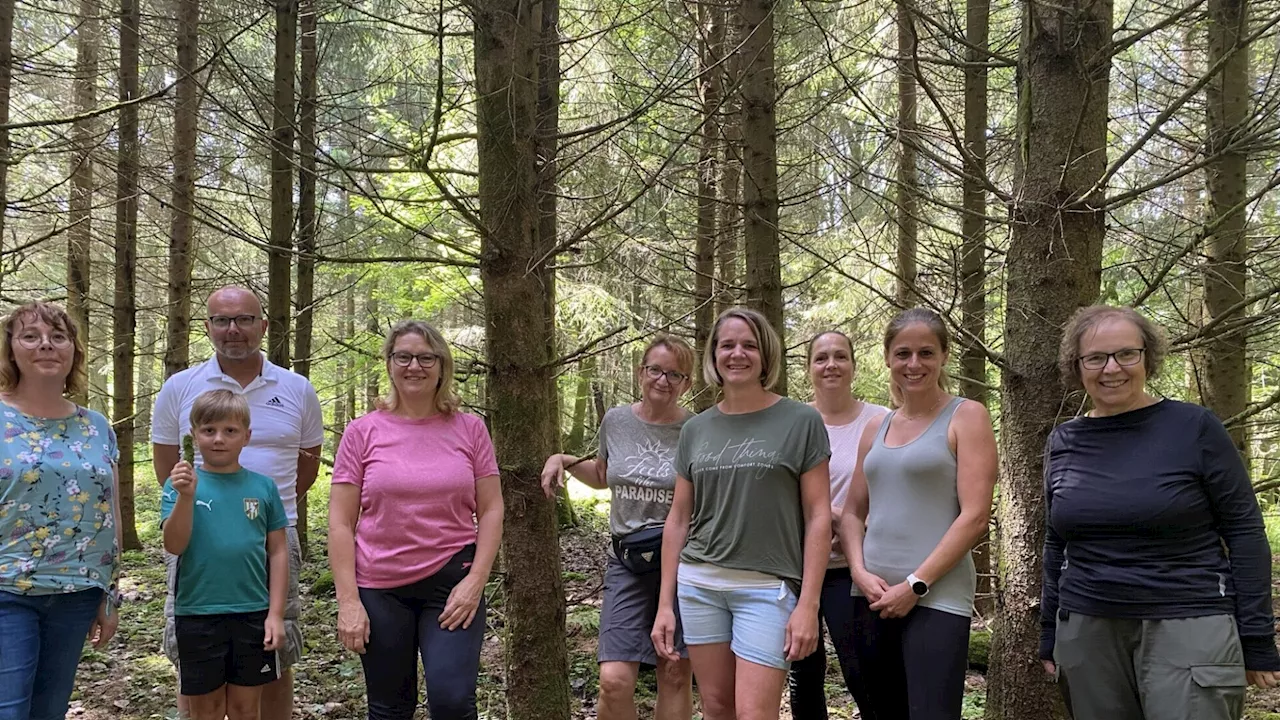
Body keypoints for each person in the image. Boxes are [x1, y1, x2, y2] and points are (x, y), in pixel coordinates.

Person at [1040, 305, 1280, 720]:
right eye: (1095, 358)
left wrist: (1257, 636)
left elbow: (1244, 531)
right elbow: (1056, 541)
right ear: (1076, 367)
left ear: (1147, 357)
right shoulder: (1064, 440)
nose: (1111, 368)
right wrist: (1049, 631)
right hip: (1088, 629)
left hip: (1188, 622)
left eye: (1125, 354)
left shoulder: (1194, 427)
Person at [652, 307, 832, 720]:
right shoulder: (697, 429)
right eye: (727, 345)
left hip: (767, 590)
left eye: (749, 345)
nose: (737, 354)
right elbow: (678, 519)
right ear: (714, 356)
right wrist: (665, 604)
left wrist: (808, 604)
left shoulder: (801, 420)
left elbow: (819, 515)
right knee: (717, 709)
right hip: (699, 585)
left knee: (754, 713)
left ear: (765, 355)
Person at [152, 286, 323, 720]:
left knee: (274, 650)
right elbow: (165, 466)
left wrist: (261, 510)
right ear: (207, 327)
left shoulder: (298, 389)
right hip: (197, 537)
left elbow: (307, 468)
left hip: (272, 535)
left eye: (245, 319)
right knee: (193, 657)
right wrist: (204, 505)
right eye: (222, 320)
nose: (233, 330)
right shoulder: (180, 387)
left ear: (262, 325)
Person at [329, 320, 503, 720]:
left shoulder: (470, 429)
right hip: (379, 586)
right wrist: (349, 601)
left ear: (442, 366)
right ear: (389, 363)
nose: (415, 366)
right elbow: (340, 522)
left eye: (426, 358)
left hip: (452, 583)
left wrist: (475, 582)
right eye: (403, 357)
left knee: (453, 702)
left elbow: (492, 508)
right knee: (390, 708)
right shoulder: (362, 432)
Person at [838, 307, 997, 720]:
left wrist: (916, 584)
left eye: (926, 353)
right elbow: (853, 512)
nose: (914, 364)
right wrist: (857, 570)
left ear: (944, 356)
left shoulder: (967, 417)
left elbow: (976, 516)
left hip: (936, 598)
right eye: (903, 353)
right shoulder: (877, 426)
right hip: (871, 595)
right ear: (888, 358)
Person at [541, 336, 697, 720]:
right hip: (627, 561)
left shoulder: (697, 429)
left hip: (683, 562)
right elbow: (604, 474)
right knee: (614, 680)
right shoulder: (616, 420)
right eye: (655, 370)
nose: (663, 380)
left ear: (687, 383)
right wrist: (562, 458)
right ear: (641, 371)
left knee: (675, 672)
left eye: (674, 374)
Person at [0, 302, 121, 720]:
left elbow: (110, 516)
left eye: (58, 337)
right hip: (6, 590)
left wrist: (110, 593)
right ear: (11, 349)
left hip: (77, 591)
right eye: (30, 336)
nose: (46, 345)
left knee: (48, 711)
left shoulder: (97, 426)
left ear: (73, 350)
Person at [161, 390, 289, 720]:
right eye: (209, 430)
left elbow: (277, 552)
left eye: (230, 431)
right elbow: (174, 545)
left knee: (246, 709)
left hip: (252, 613)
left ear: (246, 436)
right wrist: (186, 497)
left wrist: (275, 615)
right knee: (207, 709)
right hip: (197, 614)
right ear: (194, 435)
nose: (219, 439)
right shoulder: (180, 484)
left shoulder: (264, 488)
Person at [787, 331, 888, 719]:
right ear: (809, 367)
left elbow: (889, 491)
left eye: (840, 357)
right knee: (803, 670)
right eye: (821, 358)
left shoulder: (878, 420)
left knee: (863, 670)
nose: (831, 365)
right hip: (798, 566)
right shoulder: (793, 422)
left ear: (854, 366)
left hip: (855, 569)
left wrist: (838, 520)